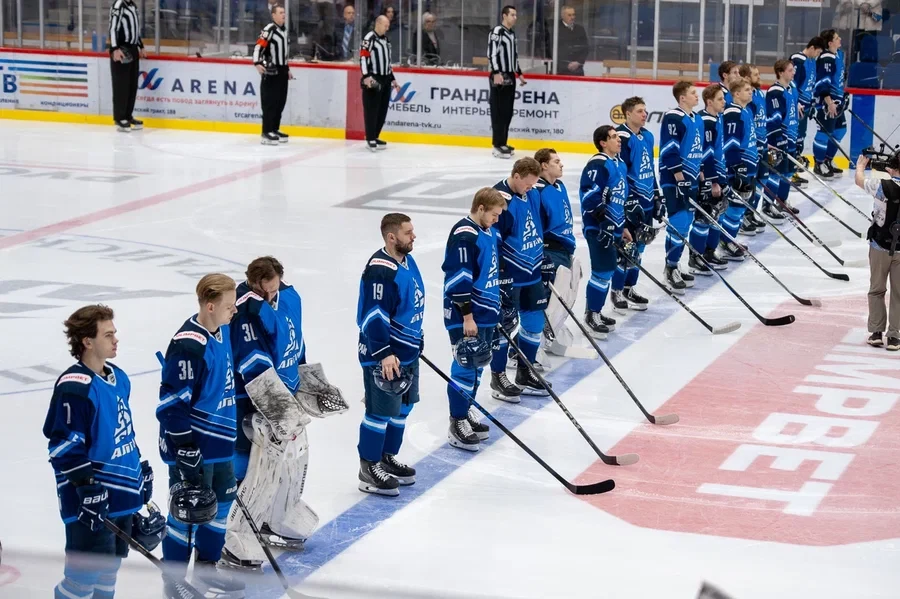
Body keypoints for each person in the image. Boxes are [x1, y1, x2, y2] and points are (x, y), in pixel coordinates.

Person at [223, 256, 345, 569]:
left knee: (291, 458)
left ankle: (275, 516)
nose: (269, 296)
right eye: (263, 291)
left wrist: (306, 381)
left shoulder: (287, 298)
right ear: (253, 283)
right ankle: (236, 530)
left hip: (284, 393)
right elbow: (254, 364)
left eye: (274, 289)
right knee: (254, 464)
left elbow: (295, 341)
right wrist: (278, 408)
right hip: (250, 398)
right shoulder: (245, 312)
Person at [44, 304, 152, 599]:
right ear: (87, 342)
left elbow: (123, 430)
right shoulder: (74, 387)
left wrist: (138, 469)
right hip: (89, 502)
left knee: (108, 572)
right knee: (81, 581)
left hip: (119, 494)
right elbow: (63, 446)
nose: (116, 340)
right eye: (108, 335)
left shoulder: (120, 377)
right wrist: (86, 487)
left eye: (114, 333)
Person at [157, 274, 243, 597]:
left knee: (220, 504)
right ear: (210, 306)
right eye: (229, 306)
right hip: (195, 445)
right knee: (186, 512)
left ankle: (207, 570)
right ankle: (174, 580)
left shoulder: (222, 331)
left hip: (220, 441)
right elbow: (171, 405)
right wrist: (185, 447)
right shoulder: (189, 345)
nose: (234, 311)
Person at [356, 213, 424, 496]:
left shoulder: (407, 260)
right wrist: (384, 353)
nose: (414, 236)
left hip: (406, 351)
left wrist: (417, 339)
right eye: (408, 232)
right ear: (391, 237)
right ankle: (369, 466)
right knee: (380, 411)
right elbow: (374, 316)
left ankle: (386, 457)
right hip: (385, 355)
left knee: (403, 408)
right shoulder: (380, 271)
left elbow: (410, 305)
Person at [441, 188, 506, 451]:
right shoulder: (464, 234)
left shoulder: (488, 231)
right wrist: (467, 316)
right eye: (494, 214)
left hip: (485, 312)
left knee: (478, 365)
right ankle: (457, 421)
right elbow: (458, 279)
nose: (496, 219)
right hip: (467, 314)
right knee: (466, 365)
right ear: (480, 208)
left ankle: (465, 409)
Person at [490, 158, 548, 397]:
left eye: (533, 184)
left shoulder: (532, 193)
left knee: (534, 323)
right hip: (510, 276)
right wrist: (499, 273)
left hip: (532, 271)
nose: (530, 187)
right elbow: (493, 239)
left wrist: (543, 255)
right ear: (516, 176)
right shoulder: (499, 200)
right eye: (527, 183)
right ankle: (498, 377)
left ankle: (525, 370)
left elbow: (537, 225)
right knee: (505, 326)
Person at [580, 125, 633, 339]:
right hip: (598, 227)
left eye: (618, 136)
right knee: (602, 271)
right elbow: (589, 195)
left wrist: (623, 226)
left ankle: (596, 311)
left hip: (614, 225)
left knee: (609, 270)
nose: (618, 139)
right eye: (613, 137)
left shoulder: (619, 163)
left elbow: (619, 198)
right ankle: (591, 315)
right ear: (603, 143)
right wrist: (603, 221)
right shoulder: (598, 163)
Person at [534, 148, 584, 357]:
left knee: (564, 296)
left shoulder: (559, 186)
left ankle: (549, 333)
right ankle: (529, 344)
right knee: (548, 299)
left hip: (564, 248)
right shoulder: (537, 191)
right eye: (556, 161)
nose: (561, 164)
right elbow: (535, 226)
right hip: (550, 250)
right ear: (544, 165)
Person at [612, 97, 660, 311]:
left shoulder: (647, 136)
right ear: (628, 113)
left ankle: (629, 287)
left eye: (645, 110)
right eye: (640, 111)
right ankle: (616, 290)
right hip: (629, 203)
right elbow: (620, 174)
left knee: (639, 247)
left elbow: (649, 168)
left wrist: (657, 195)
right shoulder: (622, 137)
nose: (644, 114)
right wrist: (628, 200)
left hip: (647, 200)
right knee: (626, 248)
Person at [659, 81, 704, 294]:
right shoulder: (673, 117)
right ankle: (670, 268)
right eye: (693, 93)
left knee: (686, 222)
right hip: (675, 178)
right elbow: (669, 150)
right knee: (678, 221)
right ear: (682, 97)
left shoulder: (697, 119)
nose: (697, 95)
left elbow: (698, 149)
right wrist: (679, 177)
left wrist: (701, 174)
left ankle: (675, 264)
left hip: (691, 177)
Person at [855, 154, 900, 351]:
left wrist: (860, 166)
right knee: (899, 293)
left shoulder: (881, 186)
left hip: (880, 246)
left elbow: (860, 181)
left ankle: (876, 333)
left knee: (877, 289)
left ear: (892, 167)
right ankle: (894, 336)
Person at [689, 83, 730, 277]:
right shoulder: (706, 121)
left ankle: (708, 251)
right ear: (709, 102)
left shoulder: (717, 118)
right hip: (706, 176)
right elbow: (705, 153)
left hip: (717, 173)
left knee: (716, 214)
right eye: (720, 99)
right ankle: (695, 256)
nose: (724, 102)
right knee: (704, 217)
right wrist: (712, 180)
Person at [719, 79, 759, 261]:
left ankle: (729, 239)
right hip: (737, 168)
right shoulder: (733, 113)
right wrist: (737, 167)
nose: (751, 92)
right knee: (735, 206)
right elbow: (730, 144)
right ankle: (725, 241)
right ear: (736, 94)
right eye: (747, 90)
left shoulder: (745, 111)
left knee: (740, 207)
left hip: (748, 166)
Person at [488, 6, 527, 159]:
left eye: (516, 15)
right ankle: (497, 144)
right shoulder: (497, 31)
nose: (515, 17)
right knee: (498, 110)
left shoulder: (511, 33)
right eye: (512, 15)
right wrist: (496, 72)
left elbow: (514, 56)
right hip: (499, 74)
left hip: (509, 74)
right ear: (504, 16)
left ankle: (503, 142)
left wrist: (519, 74)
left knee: (507, 110)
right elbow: (492, 54)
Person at [764, 59, 800, 220]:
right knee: (776, 173)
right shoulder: (775, 92)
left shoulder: (790, 89)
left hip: (791, 137)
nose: (793, 73)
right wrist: (778, 138)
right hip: (778, 139)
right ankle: (767, 205)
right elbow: (773, 118)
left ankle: (781, 201)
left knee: (788, 171)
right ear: (780, 72)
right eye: (790, 70)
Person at [739, 62, 773, 234]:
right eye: (755, 75)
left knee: (762, 181)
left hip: (762, 144)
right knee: (749, 183)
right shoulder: (742, 100)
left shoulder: (759, 93)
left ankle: (751, 212)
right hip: (750, 149)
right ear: (746, 77)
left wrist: (767, 142)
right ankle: (742, 216)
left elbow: (762, 121)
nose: (759, 77)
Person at [360, 15, 402, 151]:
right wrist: (366, 76)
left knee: (382, 110)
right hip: (374, 78)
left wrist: (393, 79)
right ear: (378, 24)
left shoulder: (386, 40)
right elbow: (363, 58)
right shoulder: (369, 38)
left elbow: (388, 62)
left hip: (386, 79)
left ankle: (375, 135)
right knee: (372, 109)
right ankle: (370, 138)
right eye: (385, 25)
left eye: (388, 26)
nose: (387, 28)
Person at [254, 3, 291, 146]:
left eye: (284, 12)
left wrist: (287, 68)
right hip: (271, 71)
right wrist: (257, 63)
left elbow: (284, 53)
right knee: (269, 101)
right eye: (280, 12)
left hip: (282, 70)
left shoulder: (284, 30)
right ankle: (266, 131)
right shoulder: (269, 29)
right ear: (273, 15)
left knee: (280, 101)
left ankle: (274, 128)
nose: (283, 15)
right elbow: (258, 46)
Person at [791, 36, 826, 185]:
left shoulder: (812, 61)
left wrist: (811, 105)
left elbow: (809, 86)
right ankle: (789, 173)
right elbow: (792, 83)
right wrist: (795, 102)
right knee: (793, 138)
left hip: (805, 107)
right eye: (817, 52)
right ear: (812, 48)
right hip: (796, 108)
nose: (818, 55)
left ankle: (793, 170)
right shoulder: (798, 60)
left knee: (800, 138)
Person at [109, 0, 147, 132]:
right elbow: (113, 28)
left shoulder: (132, 5)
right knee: (121, 84)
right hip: (121, 49)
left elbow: (135, 29)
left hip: (133, 49)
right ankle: (120, 118)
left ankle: (127, 116)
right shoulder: (118, 5)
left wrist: (141, 46)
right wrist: (115, 49)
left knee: (132, 84)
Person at [813, 29, 847, 178]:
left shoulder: (838, 55)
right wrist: (829, 102)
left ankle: (827, 160)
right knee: (824, 133)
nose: (840, 39)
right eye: (837, 38)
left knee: (840, 130)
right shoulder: (826, 57)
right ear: (830, 43)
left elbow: (838, 79)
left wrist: (843, 97)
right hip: (828, 102)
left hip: (837, 101)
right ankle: (819, 163)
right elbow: (822, 82)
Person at [556, 5, 589, 76]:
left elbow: (585, 48)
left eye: (573, 15)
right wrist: (565, 65)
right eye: (569, 15)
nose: (572, 17)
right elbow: (554, 49)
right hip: (560, 70)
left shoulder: (580, 29)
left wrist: (578, 62)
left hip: (578, 70)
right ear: (562, 16)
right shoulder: (556, 28)